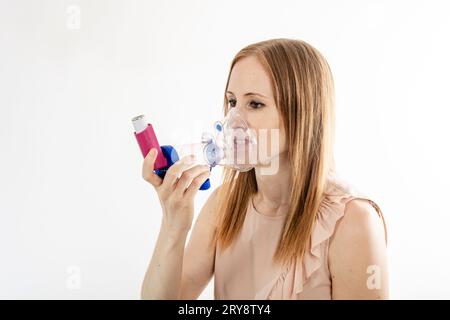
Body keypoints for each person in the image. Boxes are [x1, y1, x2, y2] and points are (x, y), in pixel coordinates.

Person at [140, 38, 388, 300]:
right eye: (232, 102)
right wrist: (174, 224)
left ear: (301, 115)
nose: (233, 121)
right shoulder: (223, 206)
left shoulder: (354, 221)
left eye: (255, 104)